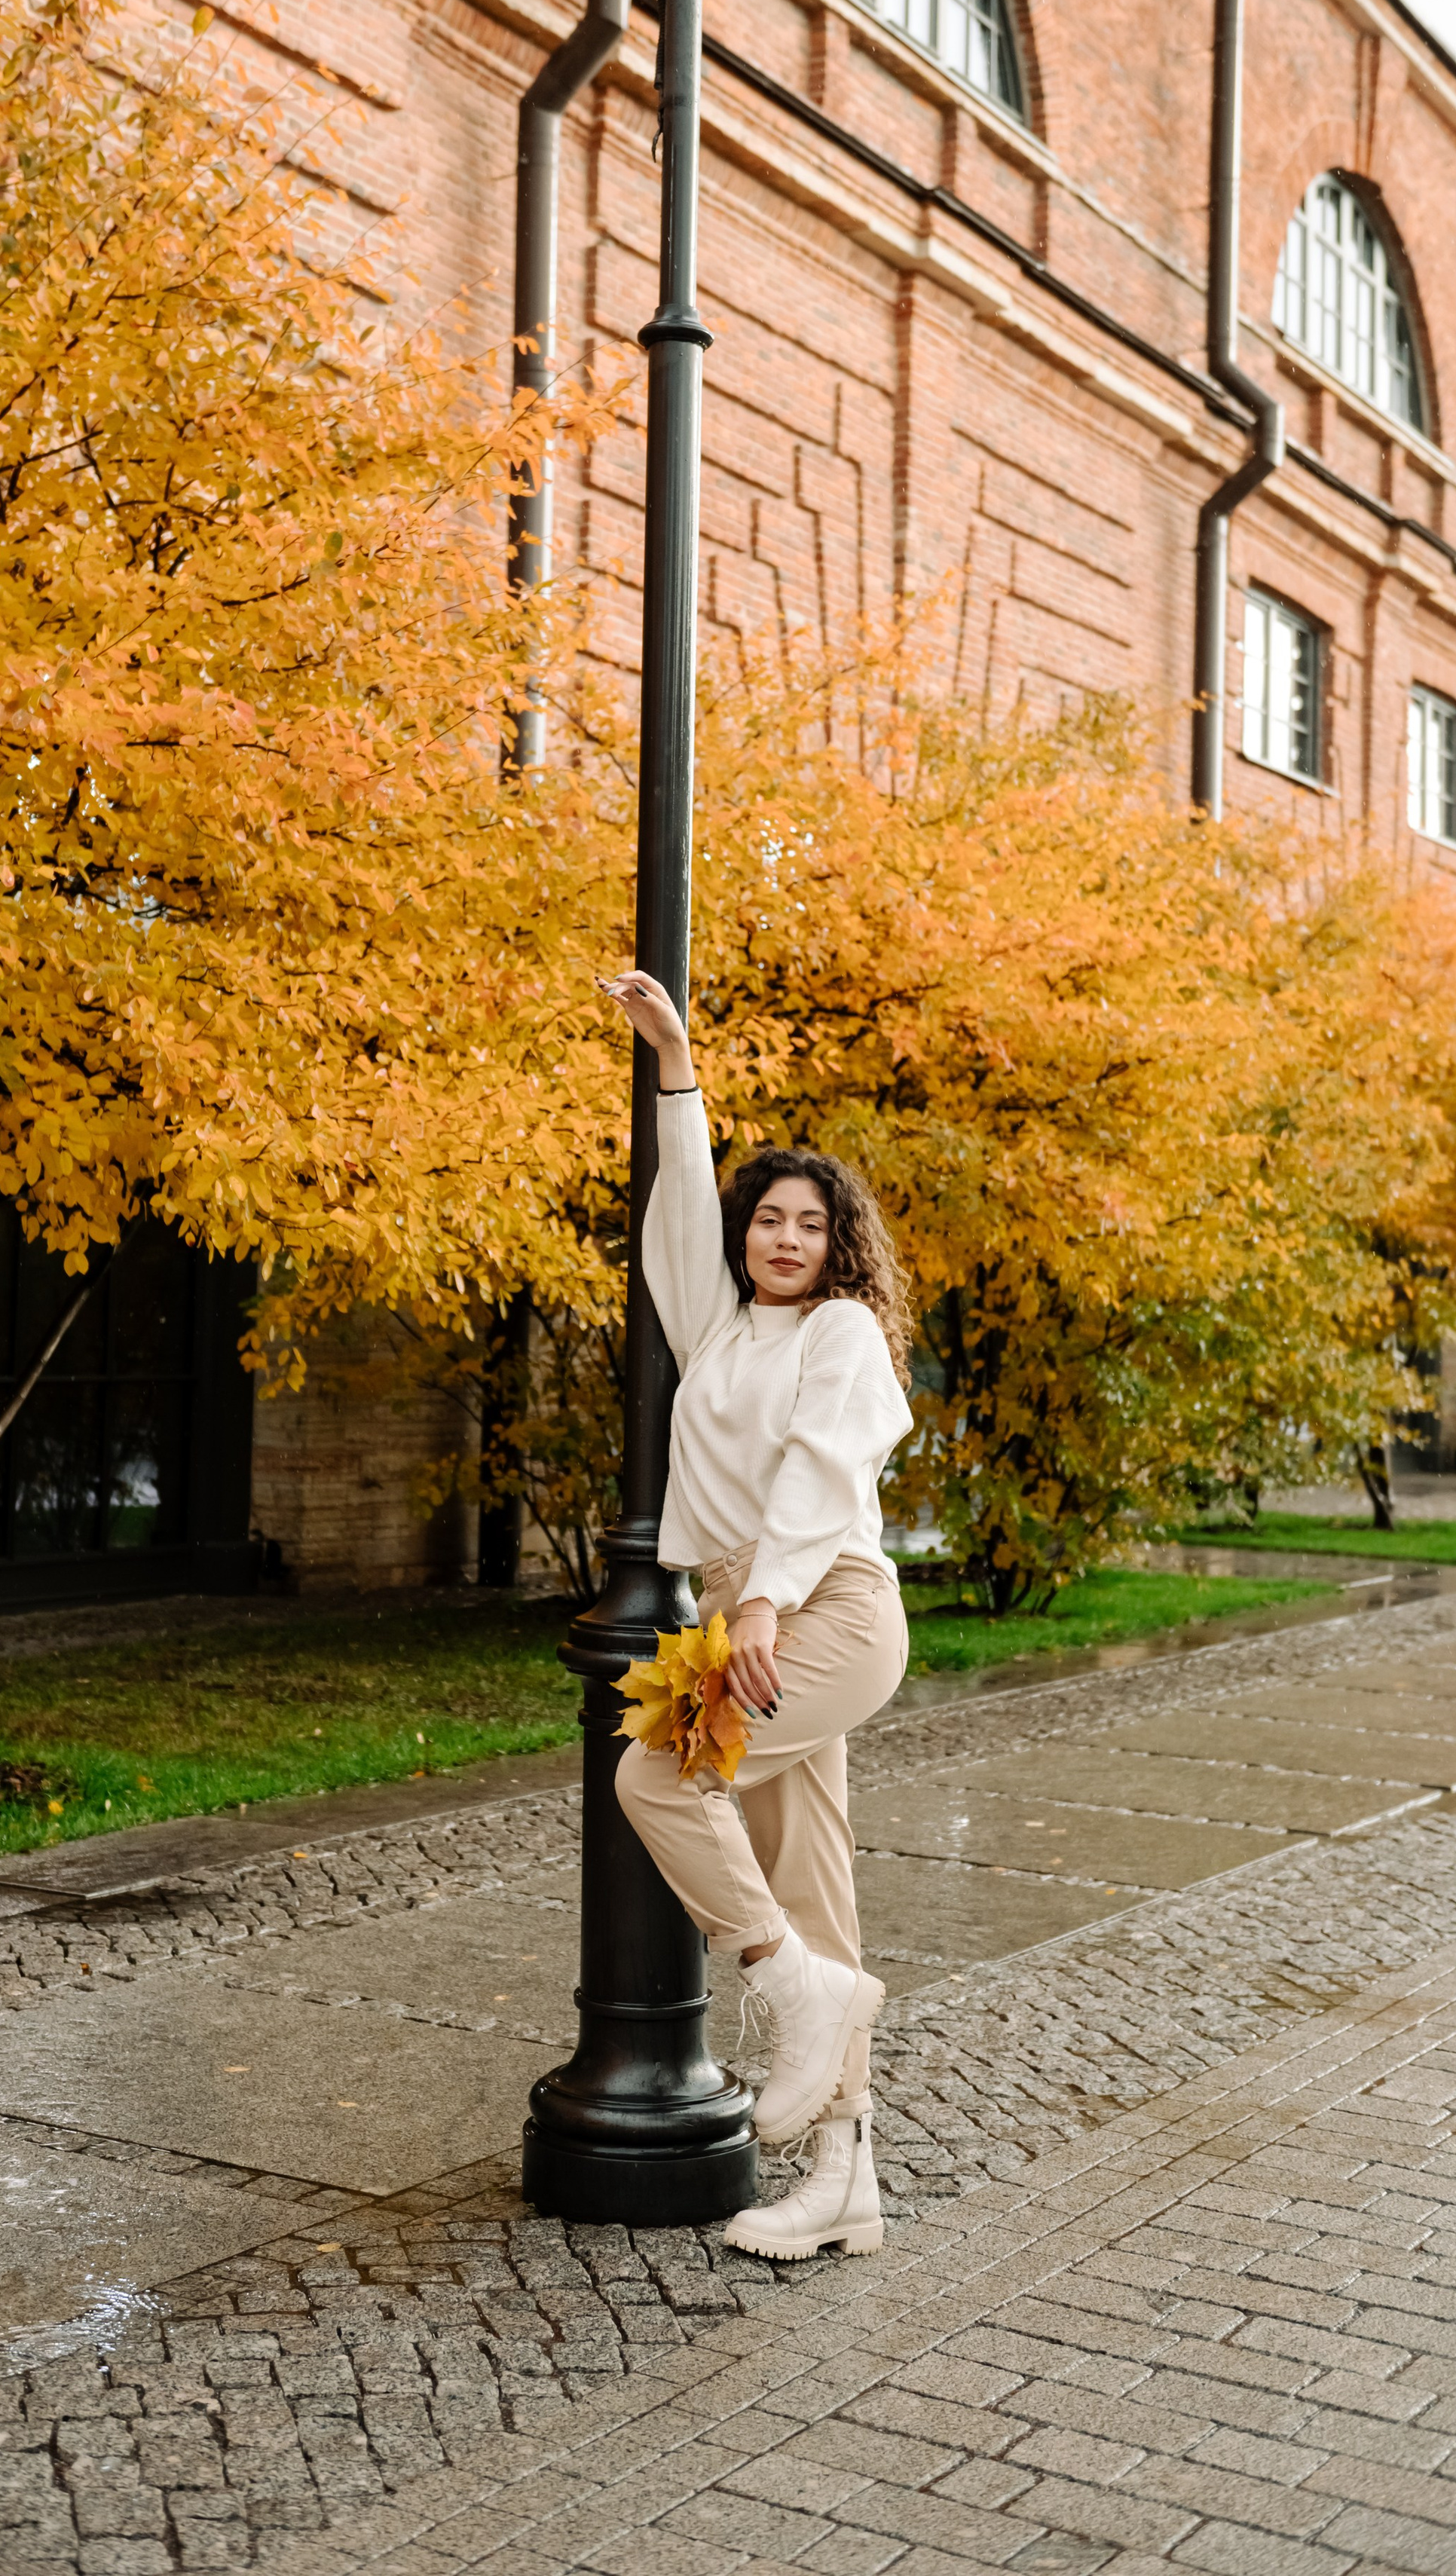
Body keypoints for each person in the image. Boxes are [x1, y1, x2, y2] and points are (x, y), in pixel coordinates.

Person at [601, 967, 915, 2262]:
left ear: (839, 1248)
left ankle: (784, 1986)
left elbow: (822, 1474)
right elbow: (676, 1218)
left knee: (655, 1783)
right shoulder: (720, 1332)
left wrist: (768, 1606)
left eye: (810, 1225)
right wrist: (678, 1066)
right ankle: (845, 2178)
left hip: (821, 1604)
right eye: (768, 1220)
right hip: (749, 1604)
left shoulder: (841, 1332)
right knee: (814, 1877)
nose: (786, 1239)